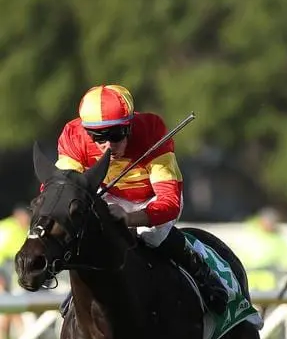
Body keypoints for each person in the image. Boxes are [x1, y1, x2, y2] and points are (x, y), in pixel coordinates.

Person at [55, 84, 228, 314]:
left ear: (129, 126)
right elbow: (61, 189)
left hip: (151, 198)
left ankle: (201, 272)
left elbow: (169, 203)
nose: (108, 145)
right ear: (87, 131)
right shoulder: (73, 135)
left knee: (152, 235)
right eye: (98, 137)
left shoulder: (151, 130)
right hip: (108, 197)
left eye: (116, 135)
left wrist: (129, 218)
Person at [237, 207, 287, 291]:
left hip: (273, 284)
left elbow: (286, 258)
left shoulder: (278, 238)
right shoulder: (250, 234)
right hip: (250, 283)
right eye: (268, 221)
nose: (270, 224)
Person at [0, 205, 31, 339]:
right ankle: (21, 333)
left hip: (10, 268)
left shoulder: (14, 227)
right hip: (6, 267)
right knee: (10, 301)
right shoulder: (11, 228)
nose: (26, 220)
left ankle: (8, 336)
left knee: (9, 302)